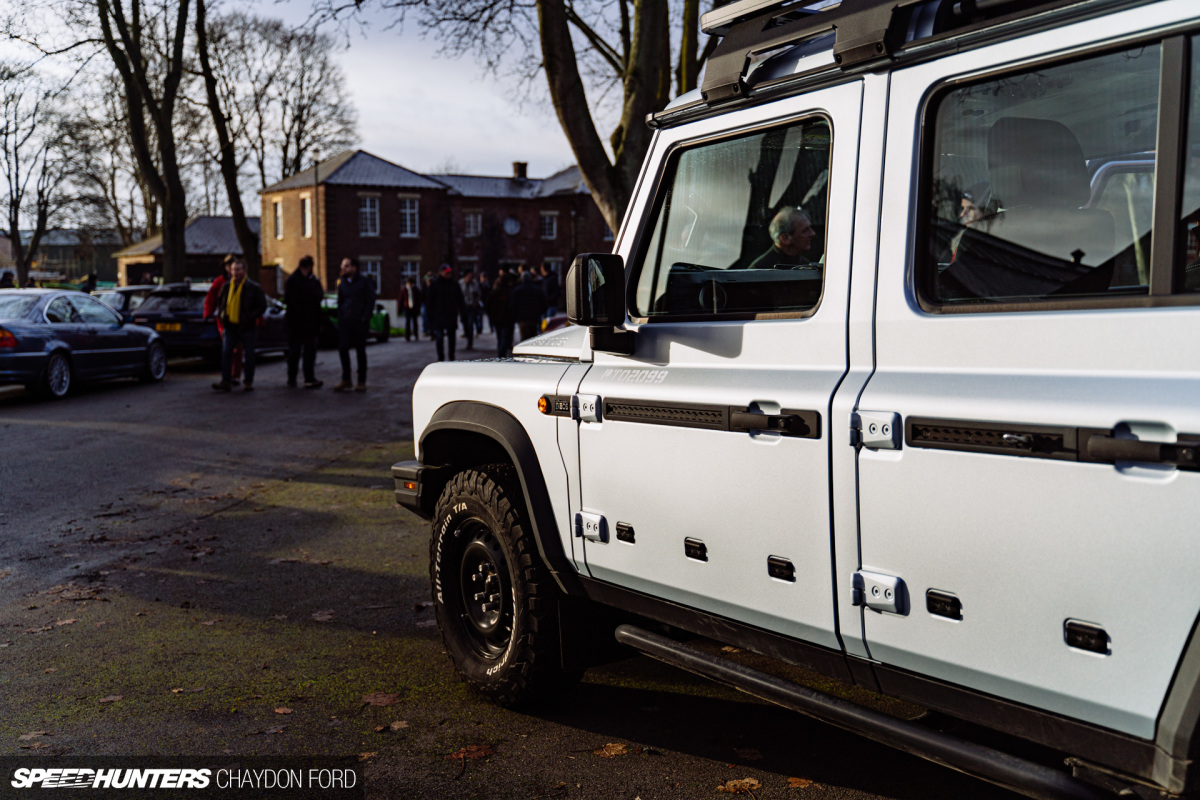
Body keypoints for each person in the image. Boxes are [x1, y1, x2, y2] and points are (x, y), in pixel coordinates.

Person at [211, 258, 266, 392]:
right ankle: (226, 381)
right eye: (233, 269)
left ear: (244, 271)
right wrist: (223, 315)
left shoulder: (253, 287)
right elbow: (221, 303)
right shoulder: (226, 286)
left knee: (249, 355)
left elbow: (261, 306)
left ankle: (248, 381)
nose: (235, 272)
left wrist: (250, 316)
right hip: (230, 325)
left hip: (247, 326)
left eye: (238, 269)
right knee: (226, 353)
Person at [333, 257, 376, 392]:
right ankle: (346, 379)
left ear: (354, 268)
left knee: (360, 351)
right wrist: (341, 317)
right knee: (343, 349)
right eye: (342, 266)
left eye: (346, 266)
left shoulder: (364, 282)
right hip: (345, 322)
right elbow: (340, 301)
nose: (343, 269)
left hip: (359, 322)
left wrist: (364, 317)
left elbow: (370, 300)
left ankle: (361, 381)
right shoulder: (342, 283)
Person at [284, 255, 324, 389]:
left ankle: (305, 378)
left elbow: (319, 296)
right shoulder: (295, 281)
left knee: (308, 352)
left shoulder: (306, 281)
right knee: (295, 352)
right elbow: (292, 301)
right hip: (298, 323)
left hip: (307, 323)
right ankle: (294, 377)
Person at [204, 255, 243, 386]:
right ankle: (227, 377)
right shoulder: (220, 282)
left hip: (240, 320)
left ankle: (235, 375)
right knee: (228, 349)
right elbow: (211, 298)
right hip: (225, 320)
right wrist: (208, 313)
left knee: (237, 349)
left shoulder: (243, 282)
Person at [746, 207, 817, 269]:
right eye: (805, 231)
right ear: (785, 238)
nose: (812, 234)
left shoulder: (805, 265)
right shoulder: (760, 269)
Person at [426, 264, 466, 362]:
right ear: (441, 272)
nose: (449, 274)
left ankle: (451, 356)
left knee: (451, 337)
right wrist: (430, 316)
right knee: (439, 337)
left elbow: (460, 300)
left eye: (449, 272)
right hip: (439, 315)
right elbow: (429, 301)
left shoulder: (454, 284)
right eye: (446, 272)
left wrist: (462, 313)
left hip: (450, 314)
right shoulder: (435, 285)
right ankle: (441, 357)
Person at [509, 270, 548, 342]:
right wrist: (539, 313)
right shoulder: (537, 290)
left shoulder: (517, 290)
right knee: (533, 339)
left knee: (524, 339)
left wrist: (515, 316)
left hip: (522, 319)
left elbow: (512, 305)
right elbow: (543, 304)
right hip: (534, 318)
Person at [488, 270, 516, 358]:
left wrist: (491, 314)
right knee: (504, 338)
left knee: (500, 338)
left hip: (497, 318)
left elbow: (487, 304)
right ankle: (501, 355)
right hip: (507, 319)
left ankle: (500, 354)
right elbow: (513, 305)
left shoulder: (494, 292)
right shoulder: (510, 292)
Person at [459, 271, 480, 350]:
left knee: (470, 323)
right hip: (463, 306)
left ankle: (470, 341)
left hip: (471, 306)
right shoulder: (460, 283)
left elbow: (478, 294)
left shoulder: (475, 284)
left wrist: (476, 302)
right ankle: (467, 334)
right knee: (464, 322)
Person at [400, 276, 422, 341]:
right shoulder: (404, 289)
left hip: (414, 307)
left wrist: (418, 307)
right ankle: (407, 335)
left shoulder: (416, 289)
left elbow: (419, 299)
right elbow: (401, 299)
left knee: (415, 322)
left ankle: (415, 334)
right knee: (407, 322)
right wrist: (400, 308)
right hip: (407, 307)